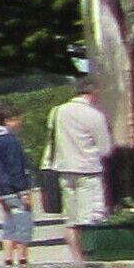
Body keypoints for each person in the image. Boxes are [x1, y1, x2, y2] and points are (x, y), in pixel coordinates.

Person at [49, 84, 114, 235]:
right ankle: (90, 254)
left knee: (70, 220)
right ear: (94, 93)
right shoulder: (94, 115)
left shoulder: (59, 111)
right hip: (88, 170)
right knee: (91, 216)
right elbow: (105, 149)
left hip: (65, 168)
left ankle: (76, 256)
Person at [0, 109, 38, 267]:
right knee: (23, 223)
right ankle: (22, 258)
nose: (19, 123)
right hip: (14, 190)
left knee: (9, 224)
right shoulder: (9, 141)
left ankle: (7, 258)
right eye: (16, 119)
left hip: (2, 190)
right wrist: (23, 190)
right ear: (7, 121)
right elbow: (15, 167)